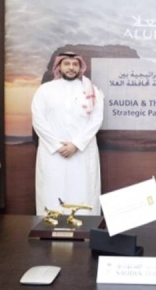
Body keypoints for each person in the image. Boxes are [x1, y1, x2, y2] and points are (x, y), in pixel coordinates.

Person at [31, 52, 104, 216]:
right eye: (67, 64)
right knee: (52, 192)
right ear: (58, 67)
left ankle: (83, 233)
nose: (71, 68)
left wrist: (76, 145)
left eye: (75, 64)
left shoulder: (92, 91)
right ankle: (52, 232)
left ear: (80, 68)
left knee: (83, 192)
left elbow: (96, 120)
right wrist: (57, 146)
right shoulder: (45, 90)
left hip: (82, 153)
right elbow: (38, 120)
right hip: (53, 154)